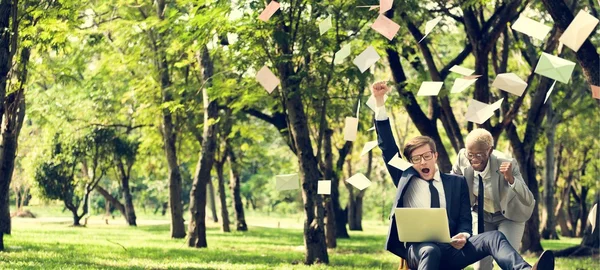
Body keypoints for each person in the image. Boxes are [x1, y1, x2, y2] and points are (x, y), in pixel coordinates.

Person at [371, 81, 553, 270]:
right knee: (430, 250)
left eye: (426, 156)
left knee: (494, 237)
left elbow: (466, 220)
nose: (422, 162)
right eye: (416, 159)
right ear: (410, 162)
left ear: (435, 156)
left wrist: (464, 235)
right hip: (419, 250)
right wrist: (379, 102)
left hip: (451, 250)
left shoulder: (456, 183)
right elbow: (388, 149)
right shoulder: (405, 178)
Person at [452, 129, 535, 270]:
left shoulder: (506, 162)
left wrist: (511, 179)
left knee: (507, 260)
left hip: (508, 216)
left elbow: (528, 199)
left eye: (479, 154)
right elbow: (453, 181)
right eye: (470, 154)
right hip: (481, 214)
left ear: (489, 151)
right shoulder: (462, 157)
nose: (474, 159)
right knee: (480, 265)